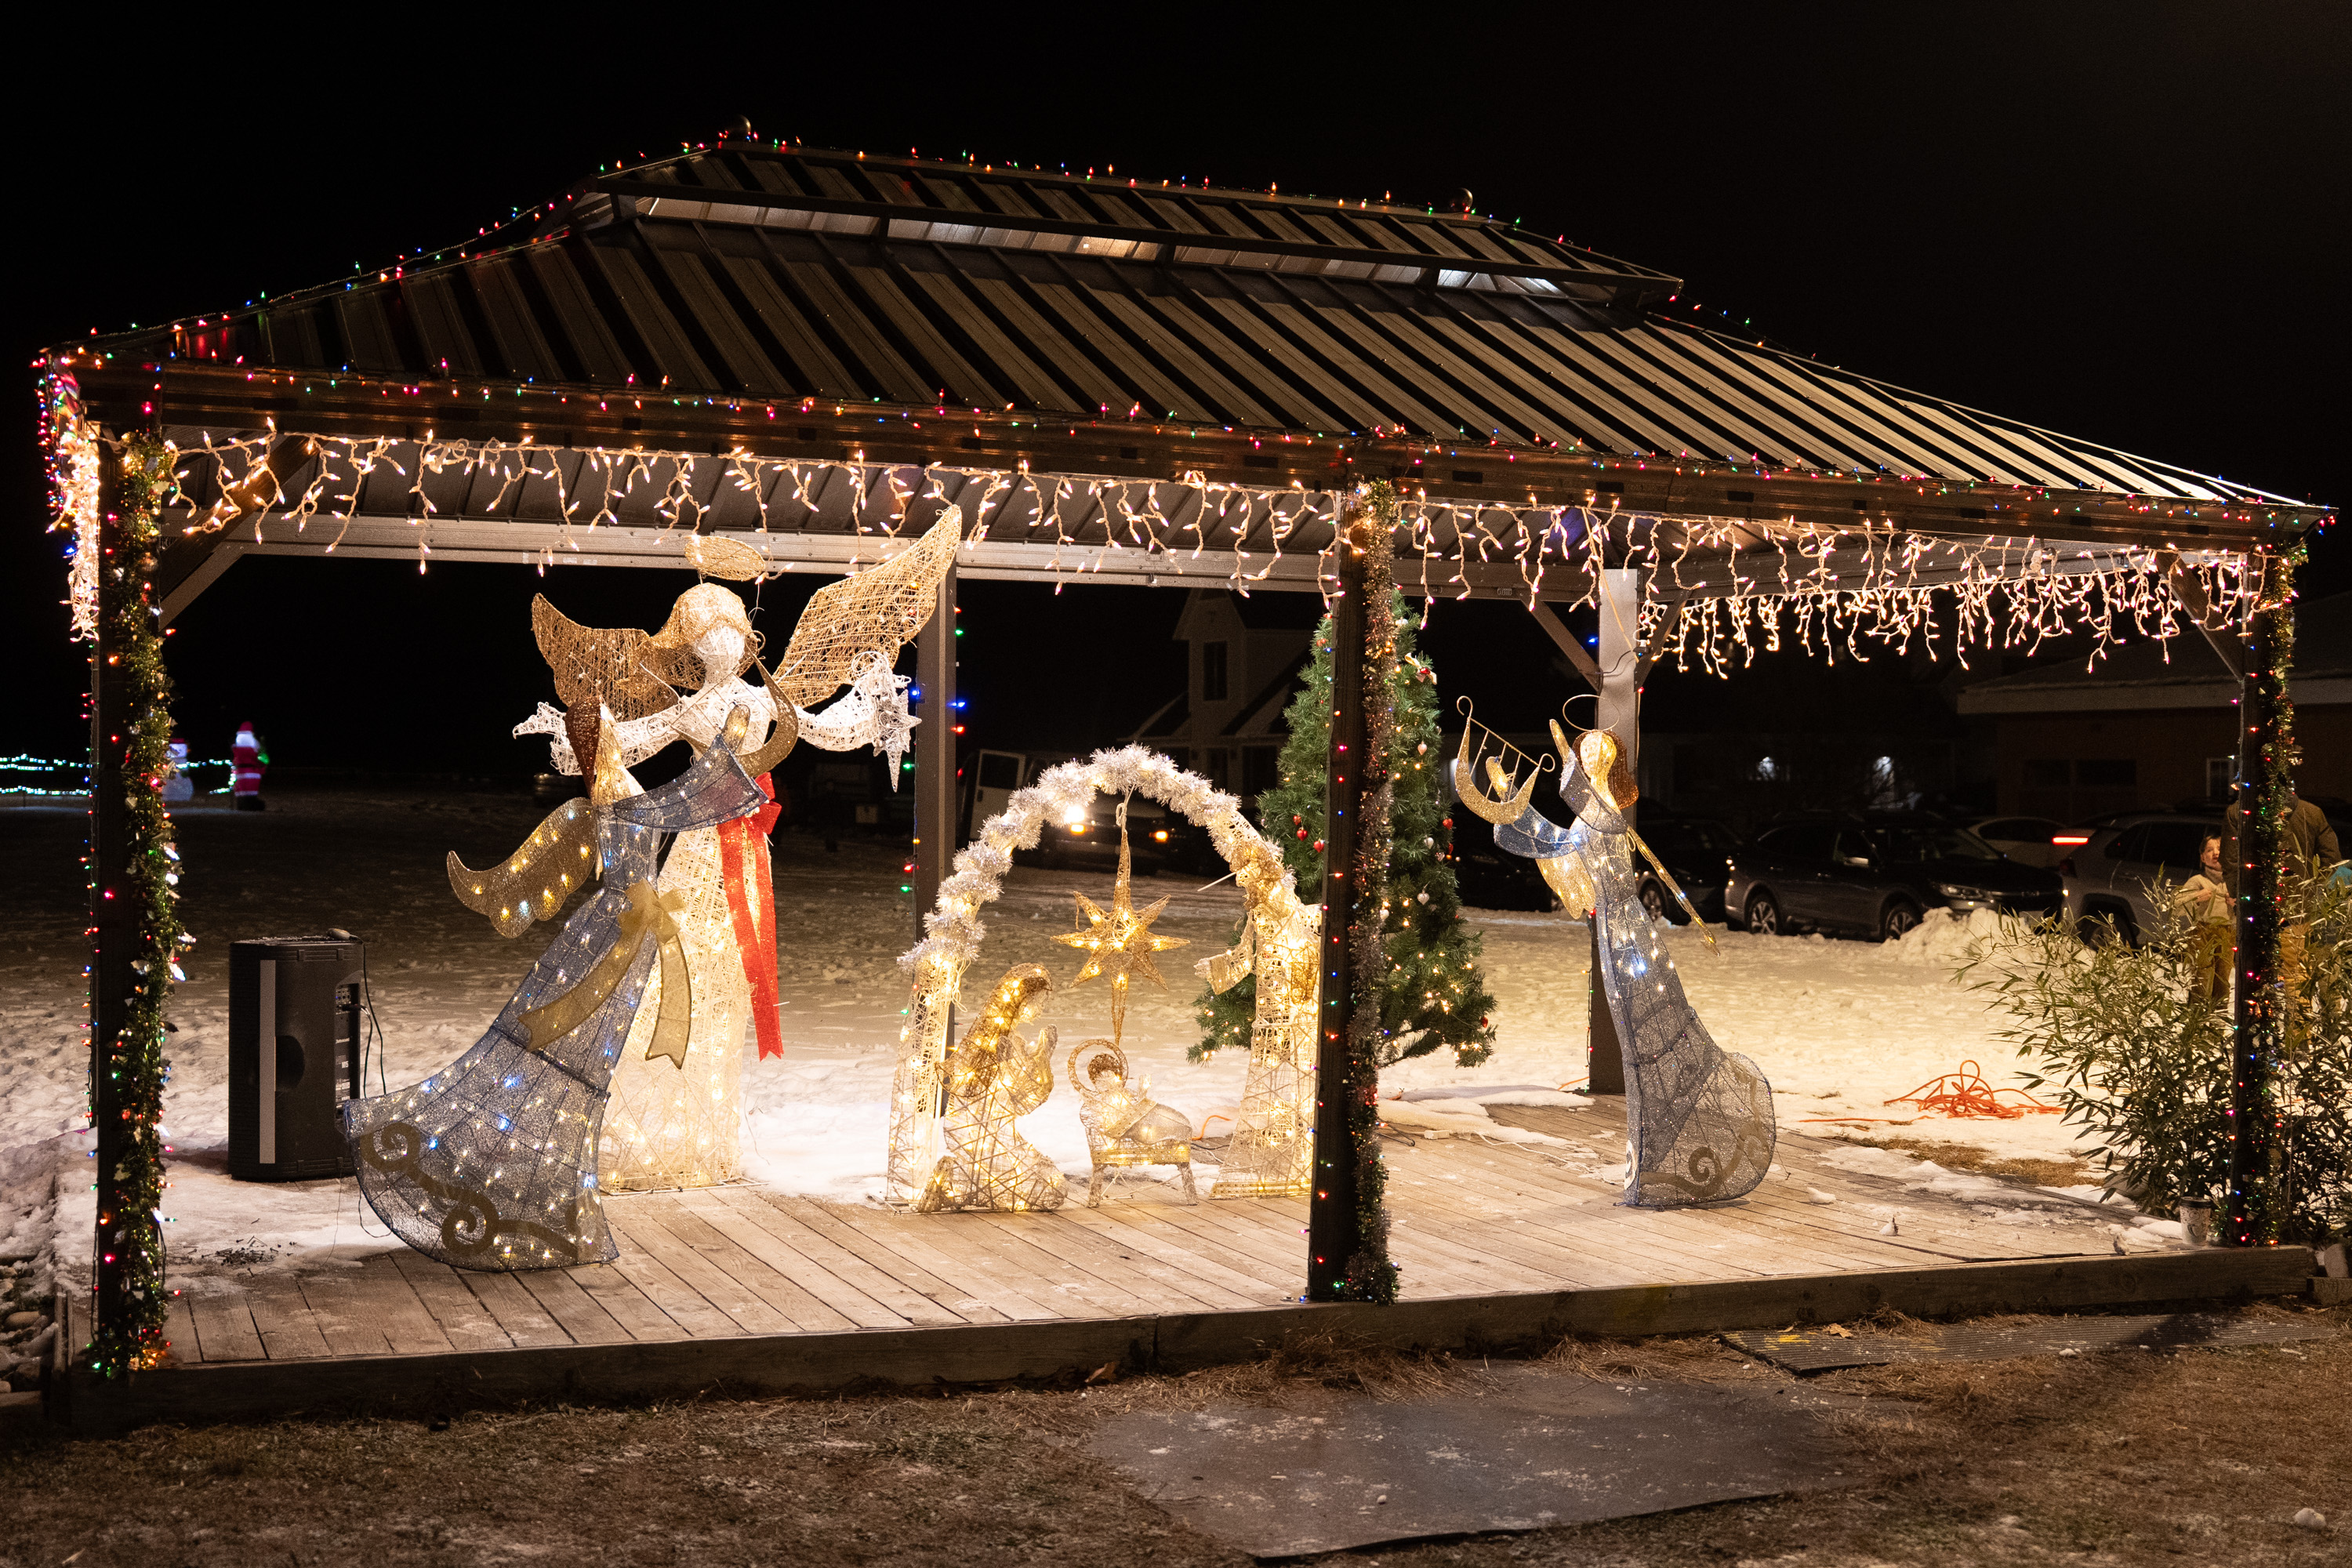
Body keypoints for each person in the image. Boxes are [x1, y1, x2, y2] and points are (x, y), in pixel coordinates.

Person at [1454, 720, 1775, 1208]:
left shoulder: (1604, 813)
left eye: (1593, 755)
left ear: (1604, 764)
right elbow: (1549, 843)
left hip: (1629, 935)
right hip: (1614, 930)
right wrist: (1506, 794)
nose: (1587, 761)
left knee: (1646, 1039)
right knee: (1638, 1042)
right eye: (1584, 754)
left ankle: (1658, 1157)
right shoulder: (1592, 816)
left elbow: (1567, 809)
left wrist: (1549, 771)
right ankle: (1651, 1159)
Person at [2170, 832, 2233, 1005]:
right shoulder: (2198, 881)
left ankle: (2218, 1017)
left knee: (2223, 980)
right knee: (2202, 978)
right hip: (2203, 934)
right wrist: (2196, 897)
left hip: (2227, 934)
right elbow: (2175, 905)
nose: (2216, 853)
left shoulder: (2233, 882)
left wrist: (2236, 903)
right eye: (2209, 850)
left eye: (2220, 849)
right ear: (2203, 858)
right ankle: (2197, 1016)